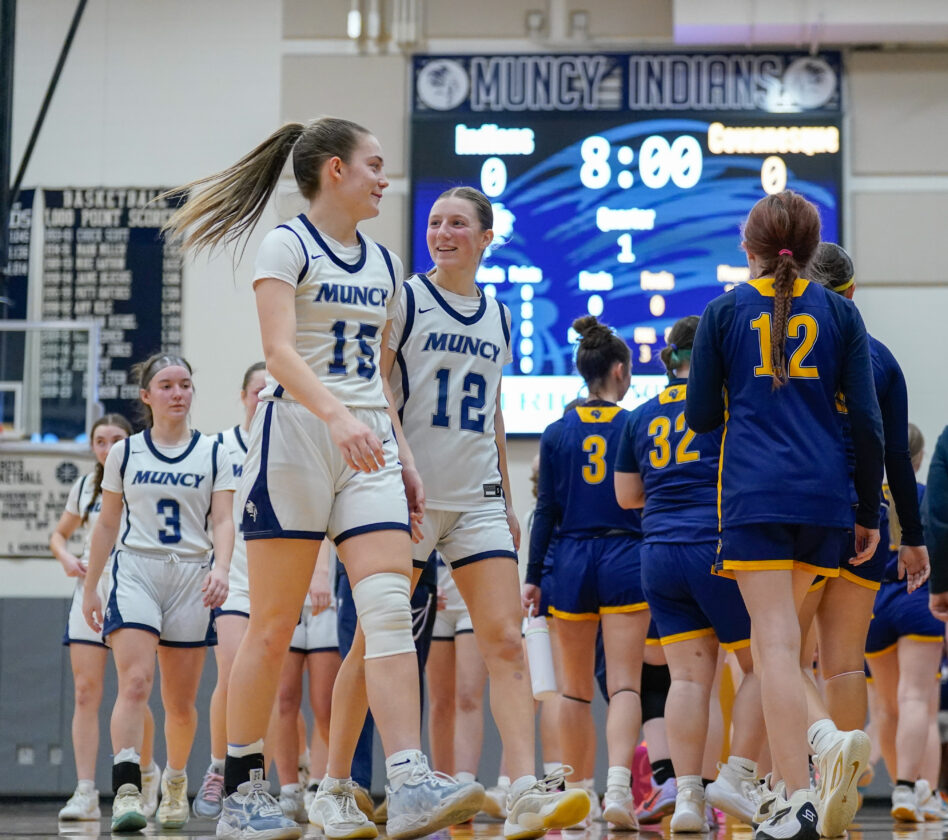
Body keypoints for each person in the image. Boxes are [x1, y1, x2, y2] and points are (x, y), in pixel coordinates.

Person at [162, 117, 483, 840]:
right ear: (335, 169)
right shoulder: (288, 244)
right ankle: (243, 790)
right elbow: (278, 353)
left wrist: (403, 456)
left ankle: (408, 779)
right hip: (296, 437)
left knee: (389, 609)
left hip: (366, 440)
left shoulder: (384, 264)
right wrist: (337, 417)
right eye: (374, 165)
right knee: (272, 629)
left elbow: (376, 373)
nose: (384, 179)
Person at [372, 185, 587, 839]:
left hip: (477, 501)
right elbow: (378, 387)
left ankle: (522, 787)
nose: (442, 232)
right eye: (435, 222)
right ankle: (334, 782)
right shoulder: (406, 299)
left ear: (486, 237)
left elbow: (493, 408)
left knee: (505, 641)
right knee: (374, 640)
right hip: (409, 495)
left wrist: (509, 498)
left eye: (457, 223)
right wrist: (401, 461)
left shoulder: (498, 314)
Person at [686, 190, 885, 840]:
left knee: (774, 646)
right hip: (825, 501)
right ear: (810, 246)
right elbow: (868, 423)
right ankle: (809, 761)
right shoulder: (842, 313)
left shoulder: (722, 312)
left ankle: (800, 794)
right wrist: (867, 509)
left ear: (748, 248)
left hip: (755, 497)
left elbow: (700, 417)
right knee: (787, 649)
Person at [615, 316, 765, 831]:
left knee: (685, 681)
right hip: (716, 547)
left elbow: (626, 496)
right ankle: (739, 778)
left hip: (658, 552)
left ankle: (686, 801)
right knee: (764, 665)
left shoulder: (638, 415)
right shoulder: (726, 405)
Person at [81, 353, 235, 832]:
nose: (178, 393)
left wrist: (222, 568)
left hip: (191, 574)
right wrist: (91, 587)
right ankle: (127, 788)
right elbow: (107, 523)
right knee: (135, 682)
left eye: (185, 384)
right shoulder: (126, 453)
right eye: (166, 385)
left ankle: (175, 780)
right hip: (137, 571)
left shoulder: (214, 452)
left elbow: (224, 520)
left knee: (180, 703)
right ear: (146, 396)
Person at [798, 243, 930, 751]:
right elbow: (897, 454)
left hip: (804, 513)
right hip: (867, 519)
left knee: (787, 660)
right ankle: (844, 784)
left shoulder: (787, 352)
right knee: (845, 664)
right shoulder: (882, 359)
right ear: (852, 291)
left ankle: (796, 778)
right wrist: (912, 536)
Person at [524, 314, 647, 831]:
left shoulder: (556, 432)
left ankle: (579, 795)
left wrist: (533, 575)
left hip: (571, 560)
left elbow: (546, 510)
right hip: (624, 556)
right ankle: (618, 788)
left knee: (572, 691)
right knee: (625, 686)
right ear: (619, 371)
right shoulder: (635, 424)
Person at [51, 415, 159, 821]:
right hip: (91, 585)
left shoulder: (145, 480)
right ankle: (85, 791)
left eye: (116, 439)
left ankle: (144, 772)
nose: (107, 446)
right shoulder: (85, 486)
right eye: (100, 440)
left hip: (133, 584)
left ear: (130, 441)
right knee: (84, 691)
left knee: (133, 687)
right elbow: (58, 535)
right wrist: (66, 558)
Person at [194, 361, 267, 819]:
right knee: (233, 669)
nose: (264, 397)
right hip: (233, 576)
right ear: (243, 396)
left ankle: (265, 780)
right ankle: (220, 767)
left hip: (275, 577)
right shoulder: (218, 447)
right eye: (258, 390)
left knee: (272, 685)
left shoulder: (289, 443)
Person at [865, 425, 946, 820]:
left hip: (873, 604)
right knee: (918, 702)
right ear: (920, 457)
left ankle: (903, 793)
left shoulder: (867, 496)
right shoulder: (928, 495)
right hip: (917, 597)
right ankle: (915, 792)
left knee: (885, 708)